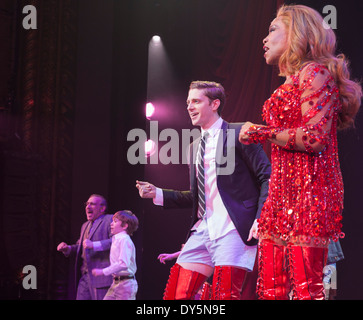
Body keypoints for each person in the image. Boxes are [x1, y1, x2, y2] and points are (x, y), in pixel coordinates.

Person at [239, 4, 362, 300]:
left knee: (307, 290)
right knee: (271, 290)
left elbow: (315, 138)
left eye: (272, 30)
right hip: (280, 195)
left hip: (311, 193)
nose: (264, 39)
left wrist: (260, 132)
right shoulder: (289, 83)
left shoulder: (315, 72)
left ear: (296, 33)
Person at [136, 80, 271, 300]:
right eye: (188, 102)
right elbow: (197, 196)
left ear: (215, 104)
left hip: (233, 229)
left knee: (225, 296)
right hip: (203, 229)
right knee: (178, 295)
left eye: (196, 101)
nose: (189, 107)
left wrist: (261, 218)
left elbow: (267, 176)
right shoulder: (193, 147)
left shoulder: (238, 133)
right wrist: (158, 193)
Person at [57, 194, 113, 300]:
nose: (88, 207)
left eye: (92, 204)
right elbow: (80, 246)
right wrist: (67, 248)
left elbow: (116, 241)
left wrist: (94, 245)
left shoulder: (109, 220)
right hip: (85, 276)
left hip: (101, 278)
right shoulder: (85, 225)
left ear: (102, 208)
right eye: (87, 204)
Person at [92, 210, 139, 300]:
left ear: (125, 226)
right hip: (116, 283)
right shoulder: (117, 239)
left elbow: (123, 264)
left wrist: (103, 271)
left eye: (115, 221)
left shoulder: (124, 240)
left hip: (125, 284)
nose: (111, 224)